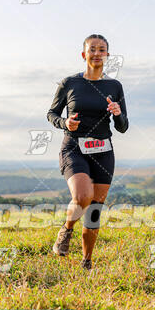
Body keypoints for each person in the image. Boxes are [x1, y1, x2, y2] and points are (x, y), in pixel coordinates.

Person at [47, 34, 129, 269]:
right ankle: (66, 230)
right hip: (74, 147)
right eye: (92, 49)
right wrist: (66, 123)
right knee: (83, 197)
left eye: (101, 49)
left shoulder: (114, 86)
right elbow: (51, 114)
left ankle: (87, 262)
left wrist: (117, 113)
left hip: (103, 150)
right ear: (84, 54)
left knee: (94, 209)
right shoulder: (70, 83)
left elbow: (123, 127)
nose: (96, 53)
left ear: (107, 55)